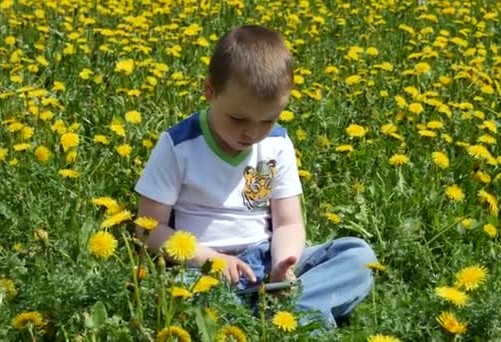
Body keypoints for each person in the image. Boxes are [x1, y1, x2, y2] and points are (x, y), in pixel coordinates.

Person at [134, 24, 377, 329]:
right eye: (237, 118)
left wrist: (282, 265)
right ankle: (294, 318)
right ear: (209, 91)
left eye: (267, 120)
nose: (251, 132)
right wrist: (209, 259)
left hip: (265, 258)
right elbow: (149, 229)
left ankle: (287, 310)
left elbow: (288, 222)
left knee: (357, 255)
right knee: (178, 293)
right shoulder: (178, 146)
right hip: (205, 267)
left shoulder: (277, 143)